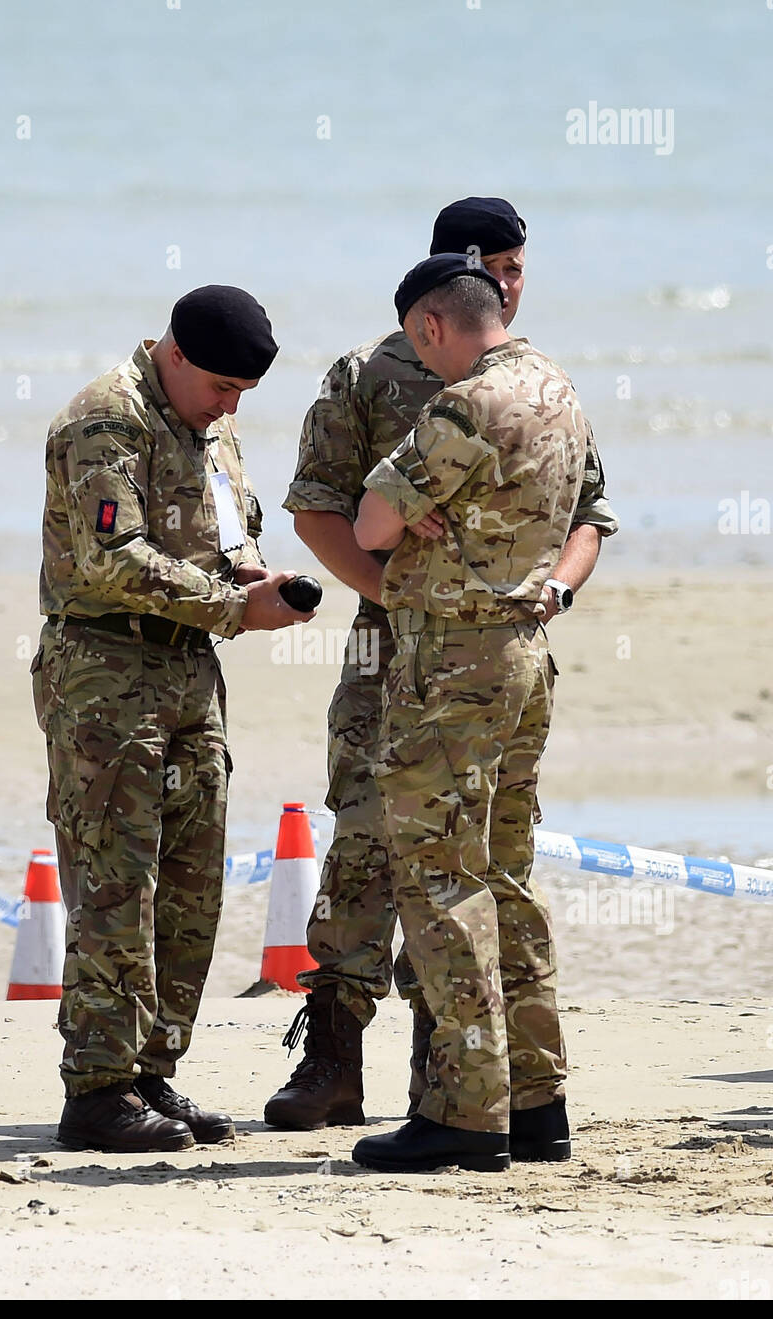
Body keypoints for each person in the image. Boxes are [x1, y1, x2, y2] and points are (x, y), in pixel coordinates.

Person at [264, 199, 618, 1131]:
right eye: (489, 265)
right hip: (396, 645)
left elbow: (591, 516)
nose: (505, 280)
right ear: (445, 283)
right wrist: (396, 595)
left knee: (476, 859)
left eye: (516, 264)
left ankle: (455, 1076)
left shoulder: (530, 383)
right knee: (368, 842)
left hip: (482, 645)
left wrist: (556, 590)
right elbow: (318, 511)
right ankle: (334, 1056)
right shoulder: (370, 376)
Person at [32, 285, 315, 1153]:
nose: (229, 407)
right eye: (220, 388)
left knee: (192, 881)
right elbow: (115, 561)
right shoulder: (102, 422)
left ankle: (152, 1071)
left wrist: (260, 582)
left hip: (190, 668)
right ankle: (97, 1088)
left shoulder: (212, 423)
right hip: (106, 667)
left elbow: (233, 531)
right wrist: (235, 608)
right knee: (118, 879)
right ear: (176, 355)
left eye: (241, 395)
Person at [350, 254, 586, 1172]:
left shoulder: (466, 406)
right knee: (507, 873)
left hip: (454, 661)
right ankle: (536, 1101)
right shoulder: (558, 388)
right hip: (525, 652)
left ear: (429, 328)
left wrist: (410, 514)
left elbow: (370, 521)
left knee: (441, 879)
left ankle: (465, 1110)